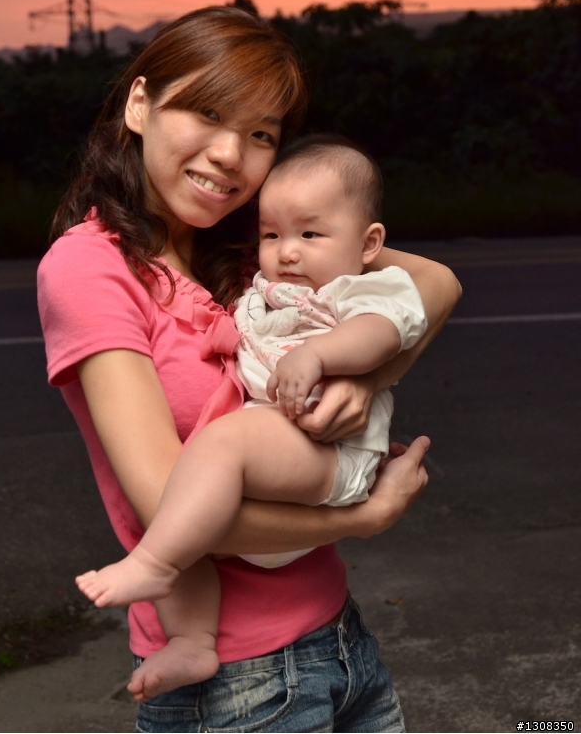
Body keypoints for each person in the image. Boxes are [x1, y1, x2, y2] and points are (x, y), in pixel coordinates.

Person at [38, 6, 461, 733]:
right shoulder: (90, 266)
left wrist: (358, 378)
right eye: (207, 112)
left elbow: (434, 283)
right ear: (140, 104)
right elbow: (171, 505)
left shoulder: (252, 242)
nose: (232, 154)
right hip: (236, 688)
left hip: (339, 639)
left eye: (261, 133)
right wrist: (364, 517)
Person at [76, 136, 430, 701]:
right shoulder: (266, 285)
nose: (287, 252)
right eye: (271, 236)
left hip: (333, 454)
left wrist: (330, 361)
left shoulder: (360, 287)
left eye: (309, 235)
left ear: (369, 244)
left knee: (219, 449)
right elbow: (240, 332)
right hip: (278, 461)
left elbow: (384, 329)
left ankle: (152, 563)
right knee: (186, 495)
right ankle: (191, 640)